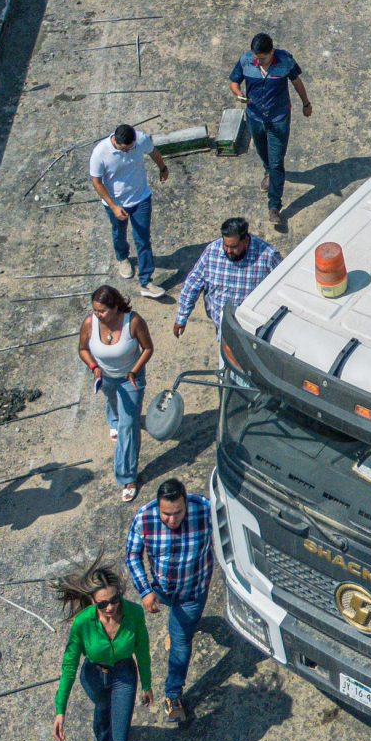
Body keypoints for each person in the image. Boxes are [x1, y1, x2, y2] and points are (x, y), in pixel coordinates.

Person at [52, 560, 152, 741]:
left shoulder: (133, 613)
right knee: (102, 708)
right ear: (93, 603)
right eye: (103, 604)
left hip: (123, 677)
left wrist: (147, 683)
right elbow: (70, 665)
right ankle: (102, 740)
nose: (111, 608)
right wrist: (61, 710)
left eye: (115, 600)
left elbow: (142, 647)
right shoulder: (83, 623)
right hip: (94, 676)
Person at [126, 478, 215, 725]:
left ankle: (173, 695)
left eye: (178, 513)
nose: (172, 520)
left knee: (181, 642)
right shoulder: (144, 518)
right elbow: (133, 555)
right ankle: (178, 627)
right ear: (158, 505)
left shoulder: (207, 509)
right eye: (166, 514)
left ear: (186, 504)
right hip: (161, 588)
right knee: (180, 631)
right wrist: (145, 591)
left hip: (192, 592)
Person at [229, 32, 311, 229]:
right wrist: (239, 94)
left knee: (276, 162)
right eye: (257, 58)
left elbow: (297, 82)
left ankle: (274, 206)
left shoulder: (285, 61)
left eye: (263, 58)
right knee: (262, 151)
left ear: (272, 51)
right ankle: (268, 172)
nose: (260, 62)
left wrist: (306, 104)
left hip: (279, 118)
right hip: (255, 117)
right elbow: (234, 82)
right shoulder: (246, 61)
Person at [80, 285, 154, 500]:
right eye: (95, 310)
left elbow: (148, 348)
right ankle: (113, 420)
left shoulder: (134, 322)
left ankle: (127, 476)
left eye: (102, 311)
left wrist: (134, 370)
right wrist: (94, 368)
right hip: (105, 377)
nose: (97, 314)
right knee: (112, 399)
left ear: (115, 307)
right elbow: (83, 348)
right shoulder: (89, 323)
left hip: (131, 378)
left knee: (128, 426)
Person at [90, 120, 172, 296]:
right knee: (119, 233)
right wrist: (113, 207)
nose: (128, 151)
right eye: (124, 149)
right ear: (116, 142)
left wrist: (163, 168)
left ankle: (146, 282)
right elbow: (96, 181)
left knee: (143, 238)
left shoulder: (140, 140)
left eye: (131, 147)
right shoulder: (100, 153)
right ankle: (122, 257)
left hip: (141, 198)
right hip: (117, 203)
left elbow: (153, 152)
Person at [174, 214, 279, 342]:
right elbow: (193, 283)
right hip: (222, 327)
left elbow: (283, 286)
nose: (228, 251)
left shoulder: (268, 255)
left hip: (252, 331)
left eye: (233, 247)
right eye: (226, 245)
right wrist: (182, 316)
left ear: (245, 240)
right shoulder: (212, 251)